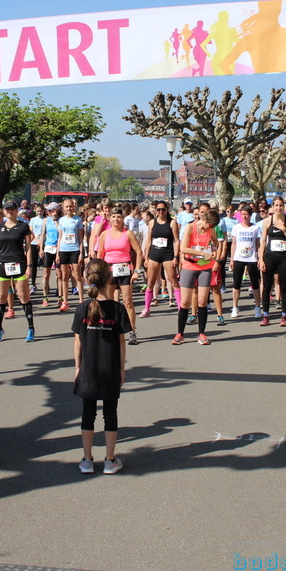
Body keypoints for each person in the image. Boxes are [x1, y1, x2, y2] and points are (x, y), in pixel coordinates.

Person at [73, 259, 129, 475]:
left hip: (88, 368)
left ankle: (87, 459)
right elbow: (122, 342)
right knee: (110, 413)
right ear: (109, 279)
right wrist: (122, 369)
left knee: (88, 414)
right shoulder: (116, 308)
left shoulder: (82, 308)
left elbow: (77, 341)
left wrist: (78, 368)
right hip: (110, 368)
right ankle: (110, 459)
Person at [97, 208, 143, 345]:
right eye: (113, 217)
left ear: (123, 218)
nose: (116, 219)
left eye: (119, 217)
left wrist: (137, 271)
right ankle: (110, 328)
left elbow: (139, 253)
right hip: (109, 270)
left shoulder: (128, 233)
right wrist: (100, 272)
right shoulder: (105, 234)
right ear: (110, 219)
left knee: (128, 302)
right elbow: (100, 254)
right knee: (109, 301)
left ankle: (132, 332)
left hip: (124, 270)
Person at [174, 206, 220, 345]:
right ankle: (180, 334)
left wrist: (214, 250)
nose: (208, 229)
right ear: (204, 219)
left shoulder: (210, 229)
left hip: (205, 267)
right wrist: (202, 253)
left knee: (202, 302)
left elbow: (216, 242)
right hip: (189, 265)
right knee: (185, 302)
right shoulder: (190, 227)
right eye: (208, 225)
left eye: (211, 227)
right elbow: (183, 248)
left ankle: (202, 334)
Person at [0, 202, 36, 342]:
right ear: (4, 211)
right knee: (1, 297)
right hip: (2, 265)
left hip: (19, 264)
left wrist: (29, 266)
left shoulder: (23, 226)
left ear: (17, 211)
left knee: (23, 297)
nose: (10, 211)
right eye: (7, 209)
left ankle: (31, 328)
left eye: (12, 209)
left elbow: (28, 247)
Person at [141, 201, 180, 317]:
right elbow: (148, 240)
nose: (160, 212)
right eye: (158, 210)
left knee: (173, 280)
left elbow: (176, 241)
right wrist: (146, 256)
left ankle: (180, 307)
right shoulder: (152, 222)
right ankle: (147, 308)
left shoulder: (172, 222)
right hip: (154, 254)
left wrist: (176, 256)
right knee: (150, 282)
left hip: (168, 254)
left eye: (163, 209)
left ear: (166, 210)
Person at [258, 196, 286, 327]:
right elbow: (262, 241)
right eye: (276, 205)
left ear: (284, 206)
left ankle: (284, 316)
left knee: (284, 286)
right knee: (267, 286)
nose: (279, 208)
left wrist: (284, 229)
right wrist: (261, 259)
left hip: (283, 257)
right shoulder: (267, 221)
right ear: (273, 207)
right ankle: (265, 315)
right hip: (269, 256)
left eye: (281, 205)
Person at [229, 207, 262, 319]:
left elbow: (258, 244)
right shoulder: (236, 227)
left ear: (250, 215)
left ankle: (257, 307)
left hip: (252, 258)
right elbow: (233, 244)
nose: (245, 216)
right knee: (236, 284)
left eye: (247, 214)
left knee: (255, 284)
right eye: (243, 214)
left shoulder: (255, 228)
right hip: (239, 258)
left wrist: (259, 258)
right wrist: (232, 259)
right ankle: (234, 307)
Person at [56, 200, 85, 312]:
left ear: (74, 207)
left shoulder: (77, 220)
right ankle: (65, 301)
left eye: (71, 206)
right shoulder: (61, 220)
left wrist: (82, 253)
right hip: (64, 249)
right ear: (63, 208)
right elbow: (60, 237)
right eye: (67, 207)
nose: (69, 209)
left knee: (77, 275)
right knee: (64, 276)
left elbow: (81, 238)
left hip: (75, 249)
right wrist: (57, 253)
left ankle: (81, 300)